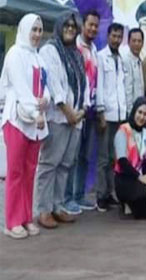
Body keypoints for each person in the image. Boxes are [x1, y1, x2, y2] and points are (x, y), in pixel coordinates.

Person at [0, 14, 49, 238]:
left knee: (30, 172)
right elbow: (20, 87)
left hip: (35, 123)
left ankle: (27, 217)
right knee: (15, 172)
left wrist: (46, 99)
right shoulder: (14, 54)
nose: (37, 34)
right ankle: (12, 222)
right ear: (24, 30)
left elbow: (45, 85)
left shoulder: (38, 57)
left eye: (39, 30)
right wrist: (35, 112)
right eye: (34, 29)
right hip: (18, 121)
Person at [37, 13, 88, 229]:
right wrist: (68, 112)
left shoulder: (76, 54)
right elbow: (54, 84)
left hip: (76, 119)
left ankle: (57, 207)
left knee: (65, 165)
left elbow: (84, 85)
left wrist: (82, 111)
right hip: (59, 117)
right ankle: (43, 210)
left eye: (73, 26)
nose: (70, 29)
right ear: (59, 27)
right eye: (66, 25)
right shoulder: (50, 50)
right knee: (50, 164)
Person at [64, 10, 99, 214]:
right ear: (83, 25)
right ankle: (67, 198)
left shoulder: (94, 50)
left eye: (96, 26)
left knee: (85, 156)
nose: (93, 29)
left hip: (90, 110)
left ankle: (79, 195)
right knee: (72, 156)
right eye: (90, 24)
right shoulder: (74, 47)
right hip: (76, 109)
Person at [113, 97, 146, 219]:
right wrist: (140, 178)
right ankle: (127, 202)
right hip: (125, 178)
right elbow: (122, 161)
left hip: (141, 179)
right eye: (139, 112)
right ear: (134, 111)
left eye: (145, 114)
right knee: (144, 195)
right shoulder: (123, 130)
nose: (142, 117)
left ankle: (135, 208)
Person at [95, 23, 127, 212]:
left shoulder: (121, 58)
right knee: (103, 158)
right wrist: (100, 113)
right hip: (106, 115)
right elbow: (99, 85)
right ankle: (101, 196)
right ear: (108, 36)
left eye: (119, 36)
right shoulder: (101, 57)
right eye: (113, 36)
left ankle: (110, 193)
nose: (116, 39)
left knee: (114, 158)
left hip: (120, 115)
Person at [123, 28, 145, 115]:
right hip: (131, 111)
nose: (136, 44)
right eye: (134, 41)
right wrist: (130, 111)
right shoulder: (126, 60)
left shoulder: (140, 60)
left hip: (140, 109)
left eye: (139, 41)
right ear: (128, 42)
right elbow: (128, 88)